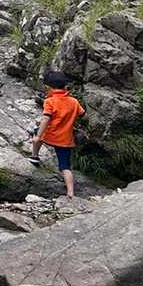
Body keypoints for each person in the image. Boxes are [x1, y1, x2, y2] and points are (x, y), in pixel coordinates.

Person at [28, 68, 85, 197]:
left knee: (36, 131)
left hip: (50, 135)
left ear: (48, 87)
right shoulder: (74, 101)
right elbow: (83, 115)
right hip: (65, 139)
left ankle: (35, 156)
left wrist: (38, 136)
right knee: (65, 166)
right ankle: (70, 192)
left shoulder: (50, 101)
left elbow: (46, 119)